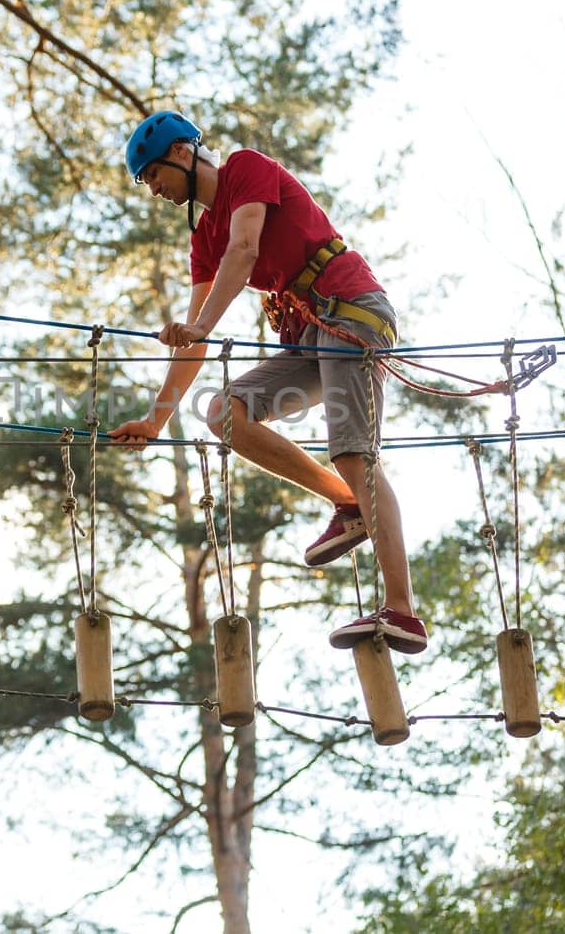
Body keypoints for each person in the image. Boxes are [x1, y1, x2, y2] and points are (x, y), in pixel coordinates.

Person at [109, 112, 427, 654]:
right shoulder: (204, 237)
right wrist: (157, 419)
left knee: (353, 451)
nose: (153, 189)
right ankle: (348, 505)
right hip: (309, 335)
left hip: (351, 311)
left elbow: (247, 249)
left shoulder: (245, 170)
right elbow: (195, 341)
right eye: (145, 182)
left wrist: (204, 323)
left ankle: (402, 610)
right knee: (223, 415)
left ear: (182, 154)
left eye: (153, 174)